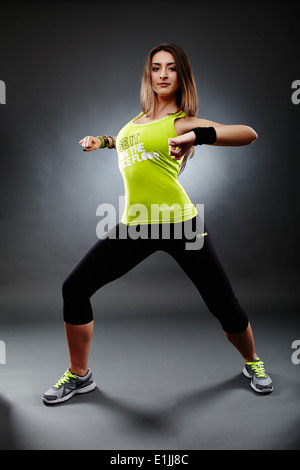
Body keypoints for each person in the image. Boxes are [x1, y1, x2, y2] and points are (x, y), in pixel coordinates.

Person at [43, 43, 273, 405]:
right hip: (134, 225)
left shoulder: (183, 121)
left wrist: (197, 136)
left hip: (181, 225)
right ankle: (80, 375)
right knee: (74, 288)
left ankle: (253, 363)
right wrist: (100, 141)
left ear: (181, 76)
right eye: (156, 68)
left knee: (223, 304)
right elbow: (124, 143)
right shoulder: (133, 123)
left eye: (171, 68)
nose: (163, 74)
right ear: (148, 74)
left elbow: (248, 133)